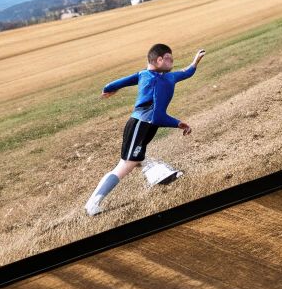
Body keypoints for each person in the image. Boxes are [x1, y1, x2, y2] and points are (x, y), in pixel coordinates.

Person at [84, 43, 204, 216]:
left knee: (135, 160)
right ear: (159, 59)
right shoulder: (159, 81)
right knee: (125, 165)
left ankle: (160, 175)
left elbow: (186, 73)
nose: (172, 62)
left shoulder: (152, 75)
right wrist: (178, 123)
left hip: (143, 126)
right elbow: (157, 116)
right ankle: (92, 204)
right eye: (169, 58)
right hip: (141, 125)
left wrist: (195, 62)